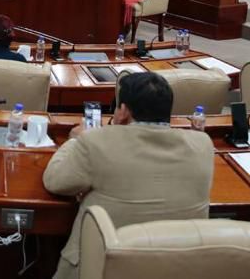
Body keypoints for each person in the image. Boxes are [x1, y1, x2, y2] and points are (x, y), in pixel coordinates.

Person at [44, 71, 214, 279]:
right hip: (175, 269)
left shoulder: (95, 142)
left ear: (123, 111)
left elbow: (56, 181)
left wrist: (74, 140)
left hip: (101, 268)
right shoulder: (203, 144)